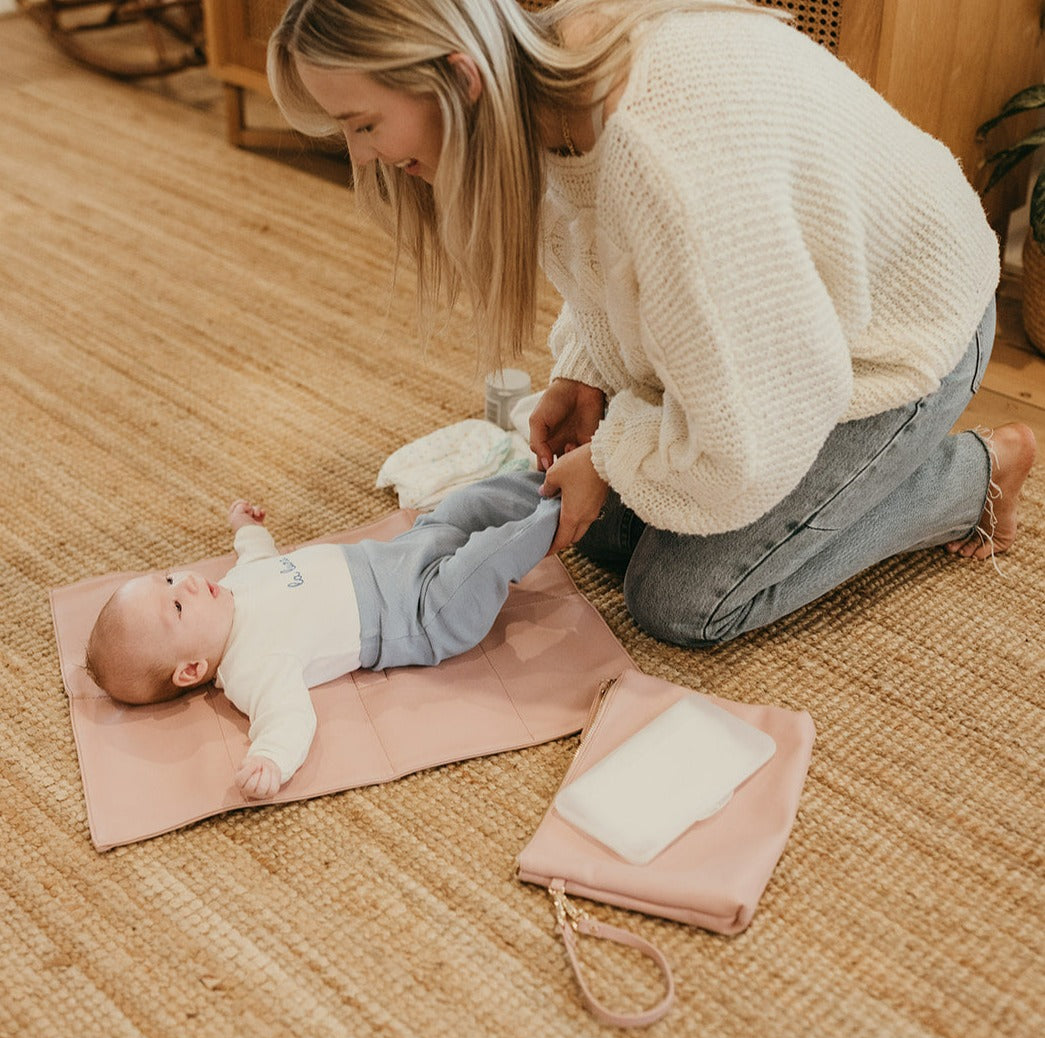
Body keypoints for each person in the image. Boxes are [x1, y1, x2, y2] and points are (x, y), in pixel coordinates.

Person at [268, 0, 1036, 648]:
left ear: (458, 79)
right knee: (596, 530)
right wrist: (585, 372)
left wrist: (610, 459)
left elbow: (755, 431)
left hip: (900, 337)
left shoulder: (664, 163)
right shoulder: (537, 86)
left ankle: (970, 476)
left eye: (363, 124)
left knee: (683, 601)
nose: (360, 157)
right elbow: (615, 265)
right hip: (785, 329)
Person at [84, 472, 558, 800]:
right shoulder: (251, 666)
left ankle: (549, 477)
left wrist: (245, 528)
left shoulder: (233, 587)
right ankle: (562, 511)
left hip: (407, 550)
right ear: (191, 669)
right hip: (422, 612)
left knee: (468, 504)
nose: (185, 582)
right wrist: (269, 759)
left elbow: (258, 556)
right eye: (178, 606)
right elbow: (287, 719)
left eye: (168, 579)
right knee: (487, 557)